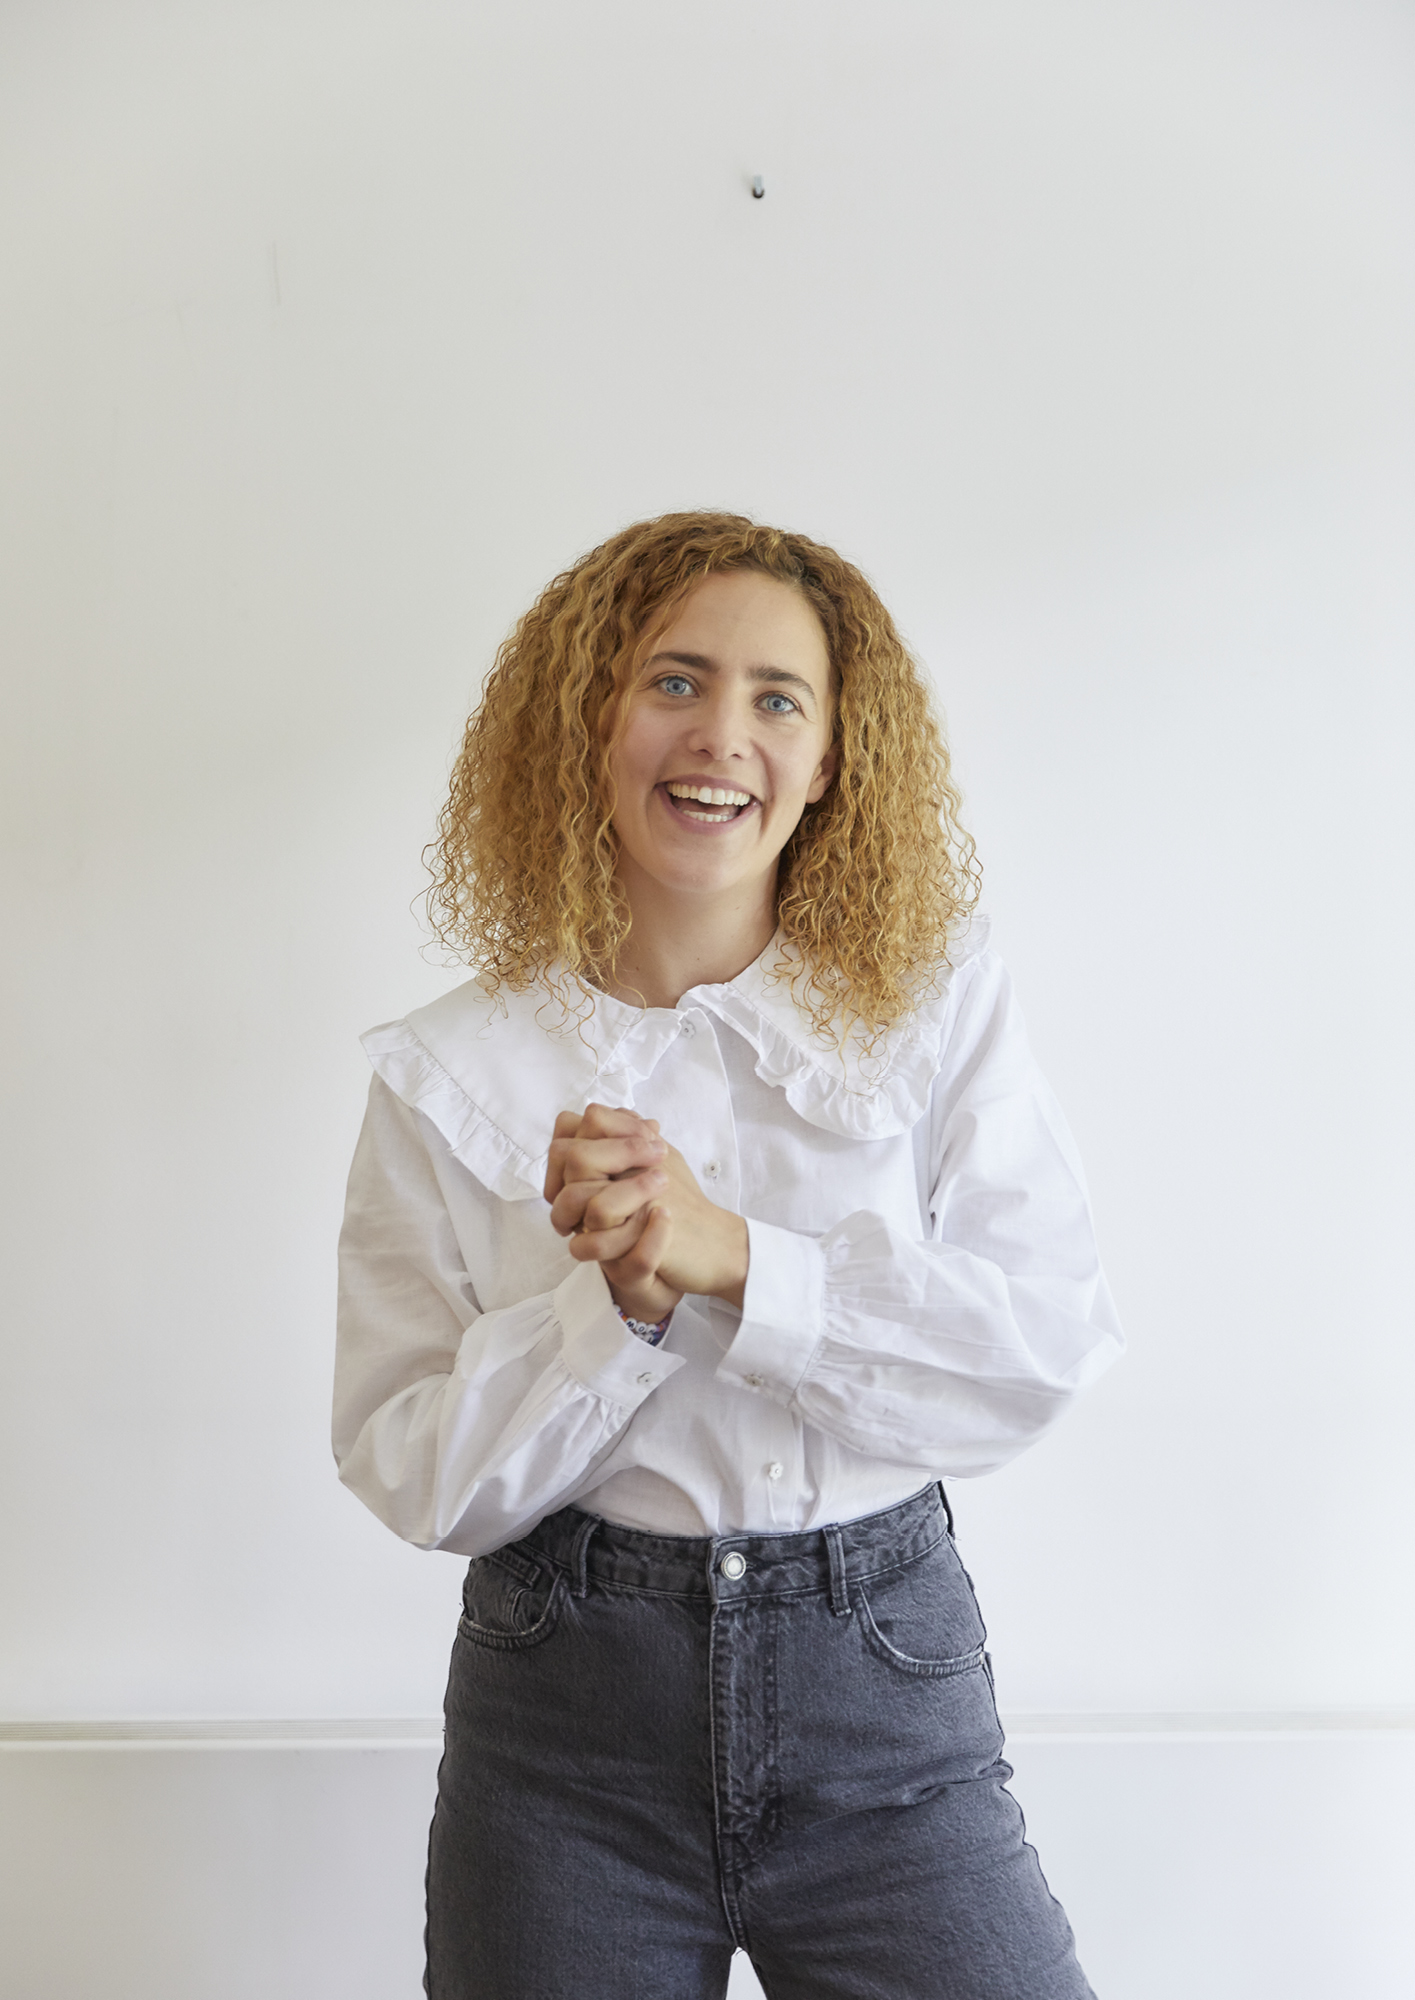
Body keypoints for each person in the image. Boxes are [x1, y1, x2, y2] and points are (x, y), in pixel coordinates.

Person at [333, 512, 1123, 2000]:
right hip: (563, 1733)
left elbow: (1036, 1352)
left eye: (778, 698)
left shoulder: (937, 1009)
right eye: (674, 681)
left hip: (884, 1701)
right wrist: (611, 1317)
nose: (722, 736)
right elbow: (413, 1471)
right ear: (590, 721)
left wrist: (740, 1262)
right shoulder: (450, 1072)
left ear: (830, 762)